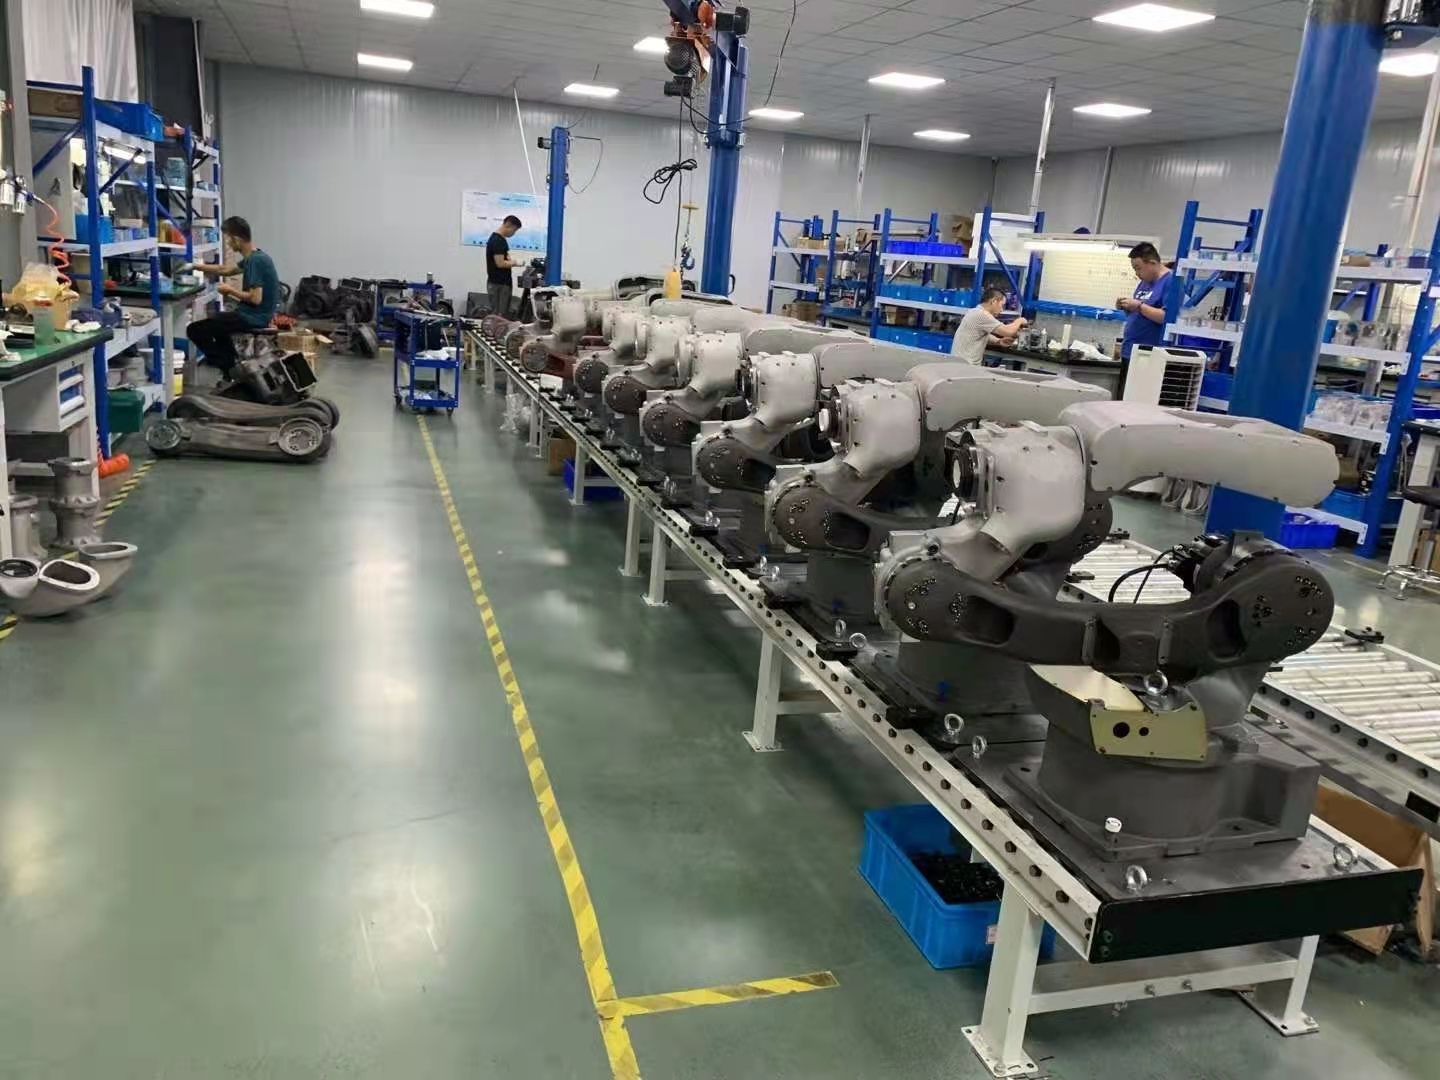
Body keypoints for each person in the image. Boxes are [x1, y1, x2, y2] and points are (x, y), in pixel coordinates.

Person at [187, 215, 280, 377]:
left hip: (254, 317)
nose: (228, 244)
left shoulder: (254, 262)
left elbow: (255, 298)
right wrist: (194, 266)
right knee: (219, 325)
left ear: (236, 239)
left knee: (195, 330)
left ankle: (228, 367)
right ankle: (231, 370)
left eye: (228, 240)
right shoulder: (256, 256)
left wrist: (230, 290)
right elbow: (226, 269)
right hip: (255, 314)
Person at [1117, 241, 1172, 359]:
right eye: (1134, 269)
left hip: (1148, 355)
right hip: (1130, 350)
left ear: (1152, 263)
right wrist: (1127, 307)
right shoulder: (1145, 281)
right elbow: (1139, 313)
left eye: (1138, 268)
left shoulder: (1170, 281)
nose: (1137, 274)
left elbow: (1167, 318)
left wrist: (1139, 306)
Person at [951, 287, 1027, 365]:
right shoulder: (981, 314)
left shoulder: (974, 311)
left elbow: (979, 335)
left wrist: (998, 341)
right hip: (965, 366)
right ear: (994, 301)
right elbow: (1008, 331)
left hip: (959, 364)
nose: (1001, 310)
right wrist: (1020, 320)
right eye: (1002, 305)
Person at [486, 214, 522, 316]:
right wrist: (516, 263)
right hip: (499, 284)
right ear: (508, 225)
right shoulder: (498, 241)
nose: (513, 233)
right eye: (514, 230)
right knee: (499, 315)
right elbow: (500, 263)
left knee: (500, 313)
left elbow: (504, 258)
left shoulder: (499, 239)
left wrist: (510, 260)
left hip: (499, 282)